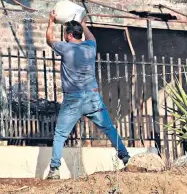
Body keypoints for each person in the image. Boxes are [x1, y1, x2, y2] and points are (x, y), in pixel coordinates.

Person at [45, 10, 130, 180]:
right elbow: (92, 38)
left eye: (65, 34)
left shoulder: (65, 48)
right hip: (92, 98)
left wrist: (51, 21)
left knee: (61, 134)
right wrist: (84, 25)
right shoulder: (89, 47)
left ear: (69, 35)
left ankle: (54, 170)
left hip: (73, 99)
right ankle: (125, 157)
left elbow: (49, 39)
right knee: (109, 129)